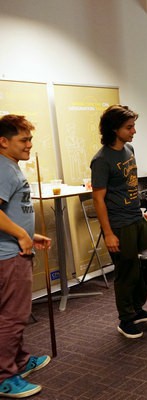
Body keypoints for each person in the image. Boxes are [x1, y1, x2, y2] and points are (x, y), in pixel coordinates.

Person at [90, 105, 147, 339]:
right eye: (129, 127)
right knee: (126, 271)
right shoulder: (101, 160)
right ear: (114, 129)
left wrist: (138, 210)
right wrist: (108, 233)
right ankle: (126, 319)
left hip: (136, 217)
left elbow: (129, 184)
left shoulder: (129, 149)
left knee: (146, 266)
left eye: (133, 126)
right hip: (119, 223)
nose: (134, 131)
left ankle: (137, 309)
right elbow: (98, 199)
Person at [0, 115, 52, 398]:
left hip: (15, 249)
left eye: (30, 139)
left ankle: (19, 361)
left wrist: (30, 234)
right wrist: (22, 236)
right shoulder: (4, 169)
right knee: (13, 316)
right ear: (3, 141)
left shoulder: (9, 166)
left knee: (13, 314)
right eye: (23, 140)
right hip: (10, 256)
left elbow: (9, 212)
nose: (29, 144)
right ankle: (4, 377)